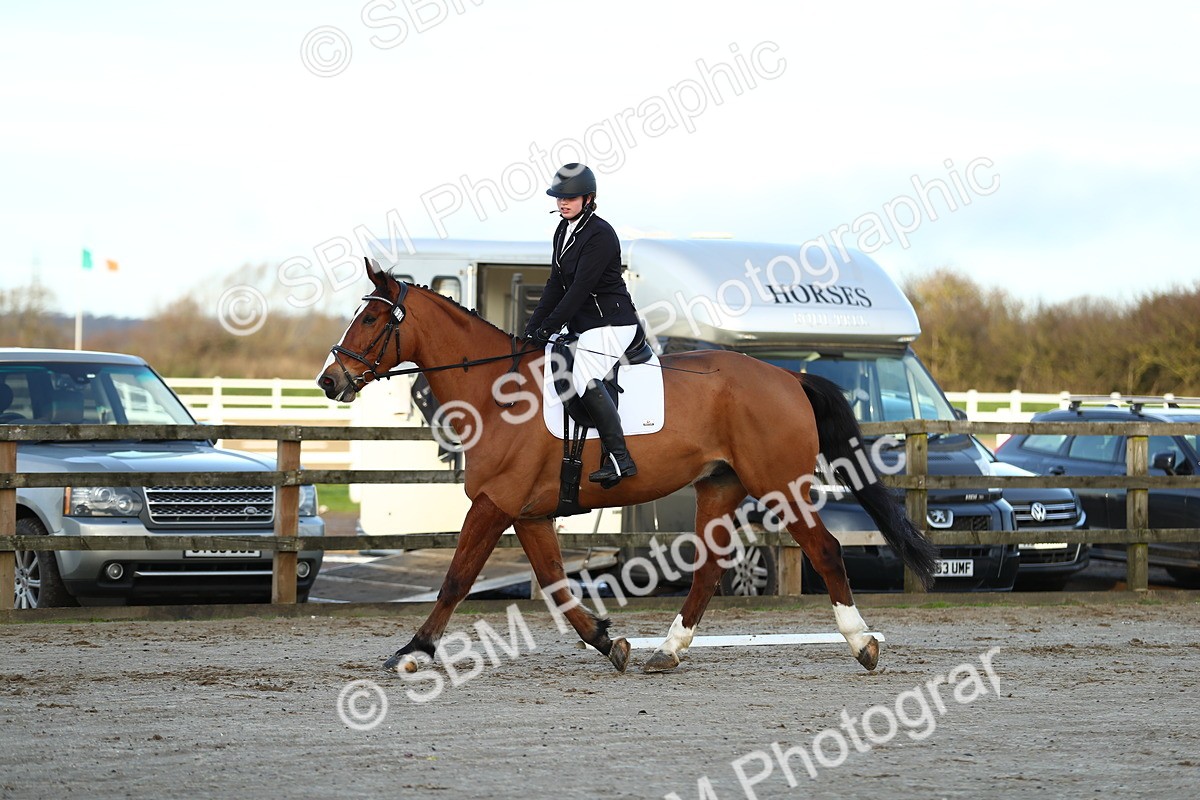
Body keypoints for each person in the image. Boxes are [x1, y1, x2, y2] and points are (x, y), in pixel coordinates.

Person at [523, 163, 640, 488]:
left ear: (588, 199)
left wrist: (551, 326)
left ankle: (620, 458)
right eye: (559, 197)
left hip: (611, 322)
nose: (563, 203)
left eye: (570, 198)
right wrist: (533, 329)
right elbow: (555, 284)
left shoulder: (600, 234)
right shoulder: (563, 230)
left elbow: (579, 289)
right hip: (585, 325)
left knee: (585, 375)